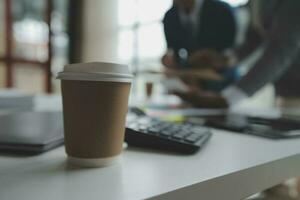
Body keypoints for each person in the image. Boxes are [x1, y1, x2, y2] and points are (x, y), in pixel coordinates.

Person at [174, 0, 300, 108]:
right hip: (284, 88)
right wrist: (225, 59)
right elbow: (255, 37)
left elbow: (281, 48)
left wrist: (229, 97)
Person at [162, 0, 238, 92]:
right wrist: (170, 60)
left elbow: (232, 49)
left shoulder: (222, 10)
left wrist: (213, 57)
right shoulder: (170, 16)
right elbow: (173, 51)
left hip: (221, 72)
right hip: (191, 74)